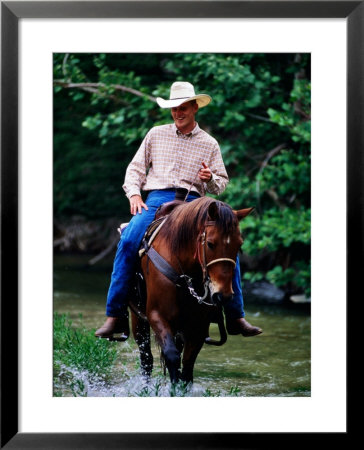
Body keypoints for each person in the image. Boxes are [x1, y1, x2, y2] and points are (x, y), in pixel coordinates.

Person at [95, 81, 262, 340]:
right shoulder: (155, 134)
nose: (177, 113)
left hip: (194, 203)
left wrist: (209, 178)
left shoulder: (209, 143)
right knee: (128, 241)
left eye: (183, 108)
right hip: (156, 199)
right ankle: (115, 315)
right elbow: (135, 169)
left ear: (195, 107)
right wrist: (135, 193)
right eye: (174, 108)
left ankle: (235, 316)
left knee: (224, 244)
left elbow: (221, 183)